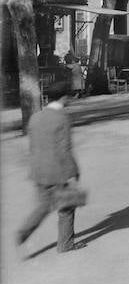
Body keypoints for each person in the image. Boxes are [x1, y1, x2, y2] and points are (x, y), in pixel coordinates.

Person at [17, 81, 85, 253]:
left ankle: (24, 231)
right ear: (64, 97)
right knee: (67, 207)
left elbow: (33, 146)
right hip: (57, 171)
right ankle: (65, 244)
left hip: (38, 170)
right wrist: (74, 172)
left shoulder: (35, 117)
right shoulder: (63, 119)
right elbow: (65, 149)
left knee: (44, 205)